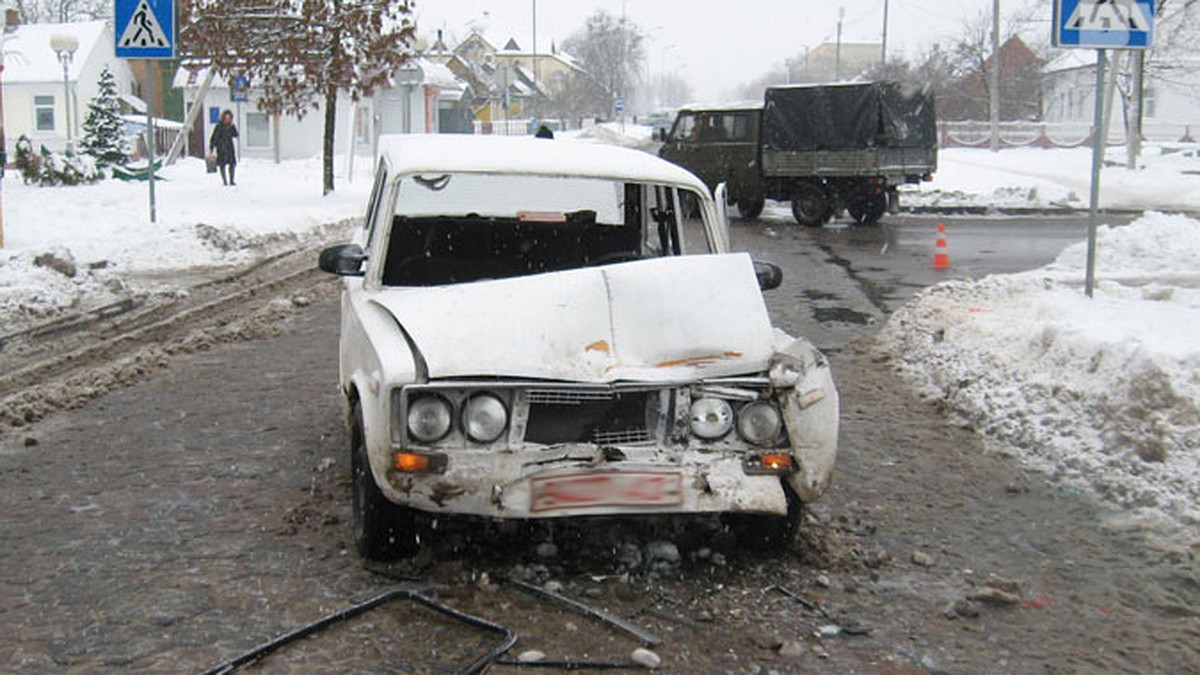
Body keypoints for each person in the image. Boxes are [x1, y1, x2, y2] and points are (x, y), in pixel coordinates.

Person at [209, 110, 239, 186]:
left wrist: (232, 127)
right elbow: (214, 137)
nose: (227, 119)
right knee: (222, 164)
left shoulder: (231, 126)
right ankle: (224, 181)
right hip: (221, 147)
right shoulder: (219, 126)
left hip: (229, 147)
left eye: (229, 118)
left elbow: (235, 135)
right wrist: (212, 148)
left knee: (232, 163)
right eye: (226, 118)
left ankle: (231, 180)